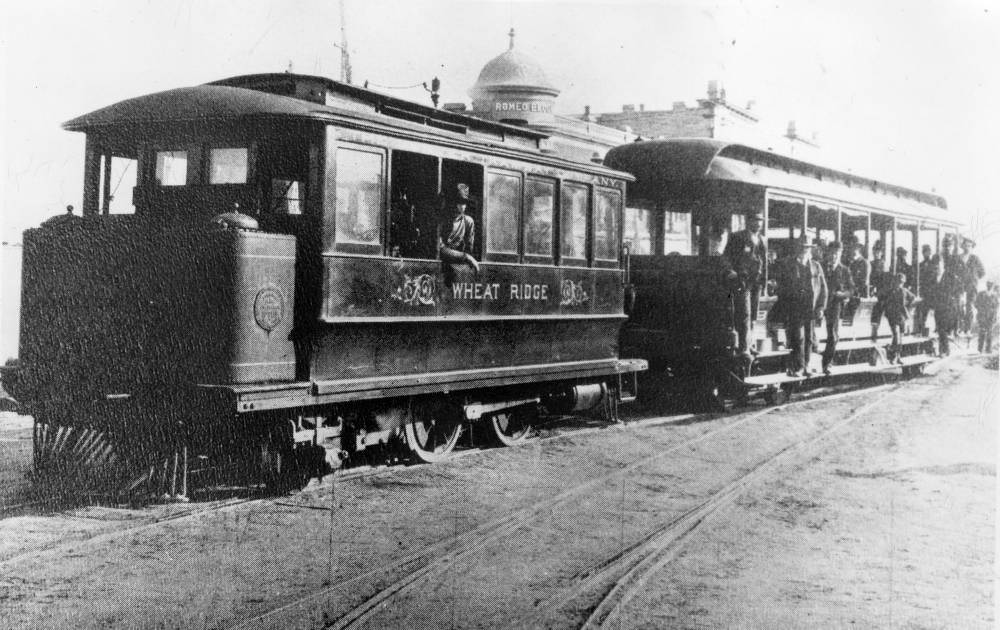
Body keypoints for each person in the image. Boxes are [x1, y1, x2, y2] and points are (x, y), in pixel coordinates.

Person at [775, 236, 827, 377]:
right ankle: (799, 367)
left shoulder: (816, 266)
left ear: (810, 249)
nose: (804, 250)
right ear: (797, 249)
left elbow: (823, 289)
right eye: (802, 247)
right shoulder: (788, 265)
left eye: (807, 248)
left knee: (809, 338)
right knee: (798, 337)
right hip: (795, 307)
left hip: (810, 308)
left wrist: (821, 307)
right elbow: (782, 285)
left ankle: (807, 366)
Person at [723, 211, 767, 356]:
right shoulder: (738, 237)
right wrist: (731, 271)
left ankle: (750, 343)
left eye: (761, 220)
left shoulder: (762, 239)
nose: (759, 223)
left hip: (756, 283)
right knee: (745, 314)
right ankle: (744, 347)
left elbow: (764, 262)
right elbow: (727, 256)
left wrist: (765, 281)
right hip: (742, 282)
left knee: (753, 314)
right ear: (749, 221)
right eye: (756, 220)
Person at [820, 241, 855, 375]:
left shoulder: (844, 270)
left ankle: (827, 363)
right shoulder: (821, 266)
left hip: (834, 305)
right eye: (832, 253)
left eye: (837, 253)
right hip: (819, 303)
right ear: (828, 253)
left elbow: (852, 289)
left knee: (833, 335)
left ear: (840, 254)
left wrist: (843, 294)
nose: (834, 256)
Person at [437, 183, 480, 274]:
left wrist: (467, 257)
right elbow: (440, 249)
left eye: (463, 203)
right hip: (441, 268)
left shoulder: (468, 222)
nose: (460, 206)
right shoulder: (442, 221)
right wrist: (466, 257)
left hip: (458, 269)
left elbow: (469, 249)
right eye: (457, 202)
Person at [934, 235, 964, 355]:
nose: (947, 248)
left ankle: (945, 348)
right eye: (945, 245)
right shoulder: (937, 258)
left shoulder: (955, 260)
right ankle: (944, 348)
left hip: (950, 299)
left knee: (945, 325)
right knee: (940, 324)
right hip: (938, 297)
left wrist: (958, 294)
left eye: (949, 246)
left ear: (952, 247)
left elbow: (962, 278)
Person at [881, 272, 918, 364]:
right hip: (893, 316)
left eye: (901, 282)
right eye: (898, 282)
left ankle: (897, 356)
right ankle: (893, 355)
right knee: (896, 335)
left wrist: (908, 306)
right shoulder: (890, 291)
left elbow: (913, 298)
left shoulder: (904, 291)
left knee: (900, 338)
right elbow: (883, 300)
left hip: (902, 317)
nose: (899, 284)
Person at [959, 237, 985, 334]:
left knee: (969, 307)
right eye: (965, 245)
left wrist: (974, 278)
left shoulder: (975, 259)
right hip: (960, 286)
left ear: (972, 247)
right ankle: (959, 328)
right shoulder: (958, 258)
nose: (967, 248)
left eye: (969, 246)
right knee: (959, 306)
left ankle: (968, 328)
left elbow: (982, 272)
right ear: (962, 246)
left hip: (971, 286)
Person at [914, 244, 938, 336]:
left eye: (928, 252)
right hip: (924, 291)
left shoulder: (934, 264)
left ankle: (936, 327)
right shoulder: (921, 265)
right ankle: (921, 328)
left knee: (935, 310)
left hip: (933, 291)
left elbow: (935, 277)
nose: (926, 254)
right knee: (923, 310)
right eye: (924, 252)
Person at [975, 281, 999, 353]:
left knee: (989, 333)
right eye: (988, 285)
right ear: (986, 285)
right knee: (982, 332)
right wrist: (981, 309)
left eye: (991, 285)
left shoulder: (994, 296)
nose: (989, 286)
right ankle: (980, 349)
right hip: (982, 316)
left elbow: (996, 306)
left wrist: (994, 315)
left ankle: (988, 349)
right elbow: (976, 304)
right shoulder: (981, 294)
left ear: (992, 286)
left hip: (990, 317)